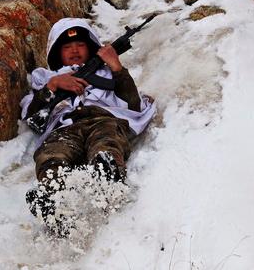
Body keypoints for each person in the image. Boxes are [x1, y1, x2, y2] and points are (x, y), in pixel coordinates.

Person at [21, 18, 155, 222]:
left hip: (102, 119)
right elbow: (31, 114)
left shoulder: (106, 72)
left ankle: (107, 172)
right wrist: (53, 85)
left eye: (80, 44)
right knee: (51, 154)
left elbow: (132, 104)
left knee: (106, 141)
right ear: (56, 52)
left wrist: (116, 67)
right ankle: (52, 196)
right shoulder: (46, 77)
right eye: (67, 46)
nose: (74, 50)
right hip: (65, 128)